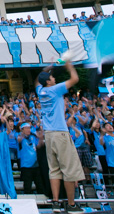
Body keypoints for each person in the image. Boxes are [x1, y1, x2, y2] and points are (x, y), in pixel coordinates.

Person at [36, 62, 85, 213]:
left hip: (49, 135)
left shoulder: (41, 91)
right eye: (51, 76)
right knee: (69, 169)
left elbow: (37, 80)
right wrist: (69, 66)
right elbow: (75, 79)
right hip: (60, 133)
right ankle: (71, 204)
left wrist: (48, 68)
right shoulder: (55, 90)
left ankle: (55, 202)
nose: (54, 78)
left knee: (54, 170)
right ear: (49, 82)